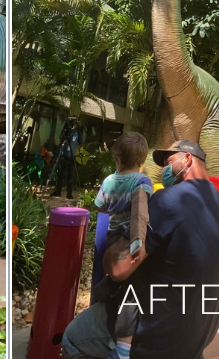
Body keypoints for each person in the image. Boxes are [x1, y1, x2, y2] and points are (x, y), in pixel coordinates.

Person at [62, 140, 219, 359]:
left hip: (161, 337)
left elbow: (117, 268)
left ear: (188, 159)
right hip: (200, 336)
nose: (164, 169)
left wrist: (117, 241)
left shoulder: (171, 199)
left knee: (72, 337)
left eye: (169, 161)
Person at [93, 132, 154, 359]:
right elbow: (143, 208)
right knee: (132, 292)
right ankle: (123, 349)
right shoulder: (142, 181)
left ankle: (104, 289)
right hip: (130, 241)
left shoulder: (109, 181)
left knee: (116, 275)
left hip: (111, 239)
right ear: (143, 160)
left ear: (116, 157)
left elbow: (100, 207)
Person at [51, 118, 81, 200]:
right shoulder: (66, 131)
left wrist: (74, 145)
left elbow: (80, 144)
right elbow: (60, 137)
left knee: (71, 175)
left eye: (74, 124)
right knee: (60, 174)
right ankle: (58, 191)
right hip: (64, 155)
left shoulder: (78, 133)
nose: (73, 126)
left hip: (72, 156)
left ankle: (69, 193)